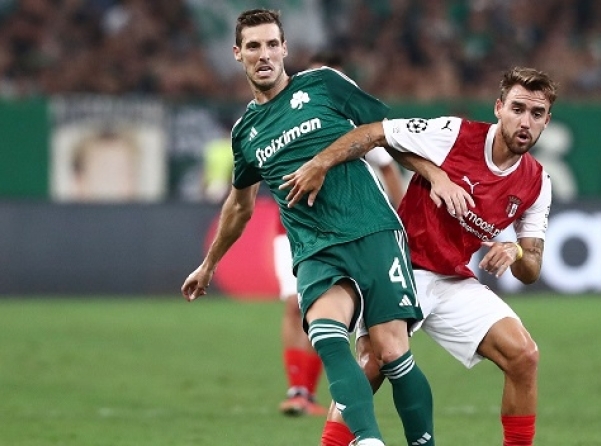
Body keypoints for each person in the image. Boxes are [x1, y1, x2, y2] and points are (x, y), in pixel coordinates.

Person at [180, 9, 434, 446]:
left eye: (271, 44)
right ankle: (368, 440)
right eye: (253, 46)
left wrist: (434, 177)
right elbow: (239, 205)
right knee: (325, 334)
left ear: (284, 49)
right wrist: (209, 264)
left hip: (371, 229)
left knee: (391, 352)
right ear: (238, 54)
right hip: (314, 247)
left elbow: (383, 130)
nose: (263, 54)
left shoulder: (323, 84)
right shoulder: (245, 132)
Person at [282, 66, 556, 446]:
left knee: (524, 355)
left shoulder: (537, 183)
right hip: (400, 265)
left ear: (546, 121)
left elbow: (532, 267)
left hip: (452, 279)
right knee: (372, 365)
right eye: (518, 109)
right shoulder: (455, 134)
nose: (525, 122)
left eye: (536, 113)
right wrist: (434, 174)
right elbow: (377, 133)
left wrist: (516, 249)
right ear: (499, 108)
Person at [275, 50, 405, 417]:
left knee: (334, 315)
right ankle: (299, 389)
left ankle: (322, 394)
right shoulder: (280, 117)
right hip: (294, 230)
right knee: (295, 306)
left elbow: (388, 167)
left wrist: (402, 218)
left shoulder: (350, 123)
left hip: (347, 231)